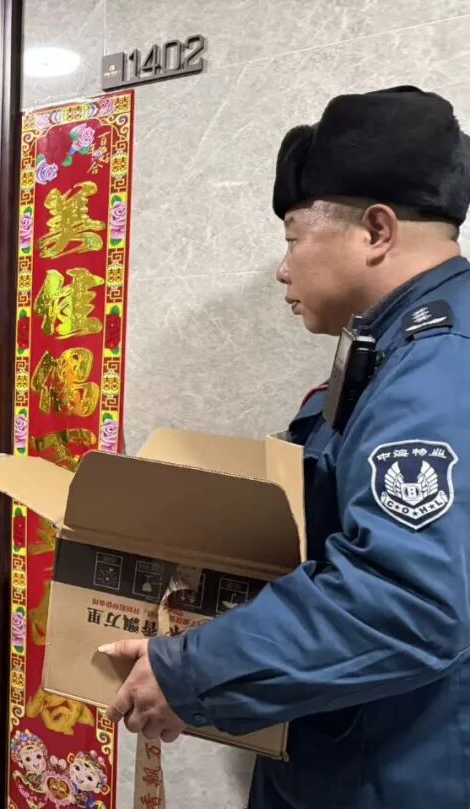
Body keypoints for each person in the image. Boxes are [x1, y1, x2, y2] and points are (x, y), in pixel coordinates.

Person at [100, 86, 470, 808]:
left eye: (294, 237)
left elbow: (408, 597)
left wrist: (189, 672)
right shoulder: (393, 349)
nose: (282, 268)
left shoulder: (440, 363)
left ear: (376, 230)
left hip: (401, 775)